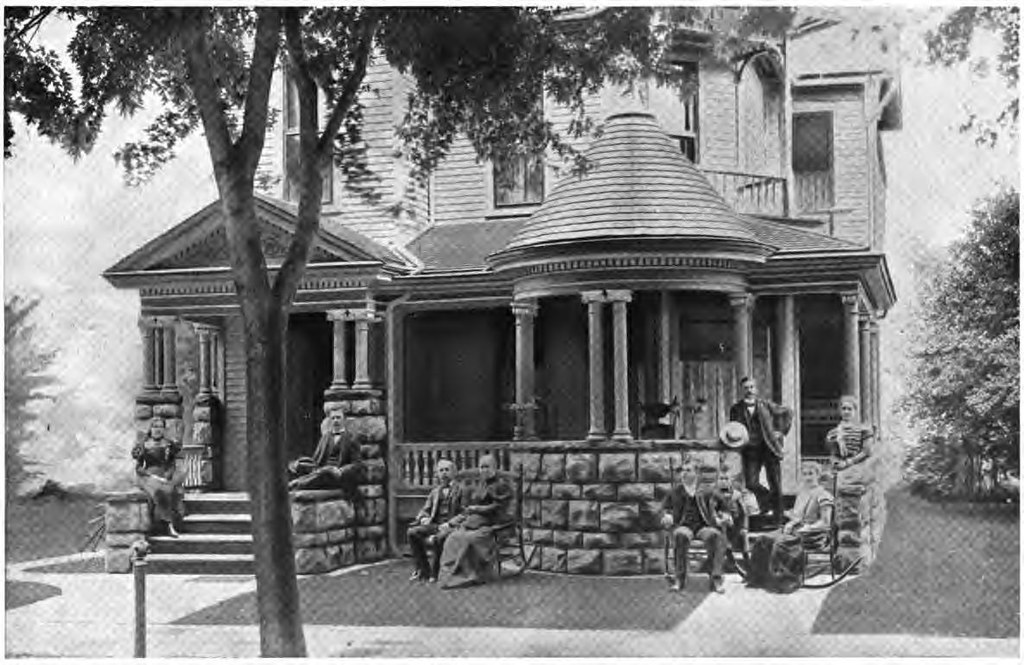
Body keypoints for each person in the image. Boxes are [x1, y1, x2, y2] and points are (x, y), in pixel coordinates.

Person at [747, 460, 835, 592]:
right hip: (795, 531)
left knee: (779, 543)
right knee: (762, 540)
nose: (807, 477)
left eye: (811, 474)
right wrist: (791, 521)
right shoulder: (803, 494)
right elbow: (797, 516)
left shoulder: (824, 496)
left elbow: (825, 522)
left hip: (813, 535)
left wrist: (808, 528)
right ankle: (758, 578)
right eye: (804, 474)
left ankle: (785, 581)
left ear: (818, 475)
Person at [437, 455, 513, 590]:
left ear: (494, 468)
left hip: (492, 524)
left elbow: (499, 507)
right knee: (453, 537)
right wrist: (469, 512)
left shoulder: (501, 486)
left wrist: (478, 508)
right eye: (481, 467)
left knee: (470, 539)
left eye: (487, 466)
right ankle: (450, 574)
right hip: (475, 522)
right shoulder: (478, 485)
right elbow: (468, 507)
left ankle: (474, 574)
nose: (484, 470)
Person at [728, 376, 793, 525]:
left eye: (752, 387)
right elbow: (733, 428)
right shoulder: (736, 409)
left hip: (769, 448)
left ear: (756, 389)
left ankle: (778, 518)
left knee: (775, 483)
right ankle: (768, 502)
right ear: (741, 390)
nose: (749, 390)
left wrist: (781, 431)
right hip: (750, 450)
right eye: (746, 388)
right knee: (751, 483)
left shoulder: (766, 405)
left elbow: (788, 412)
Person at [660, 459, 728, 594]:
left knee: (715, 535)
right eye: (682, 471)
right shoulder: (675, 491)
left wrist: (724, 516)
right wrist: (667, 517)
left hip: (704, 526)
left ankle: (716, 578)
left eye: (688, 470)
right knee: (681, 535)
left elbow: (724, 505)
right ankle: (679, 578)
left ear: (696, 473)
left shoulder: (707, 490)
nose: (684, 474)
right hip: (683, 525)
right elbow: (665, 509)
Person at [407, 458, 463, 583]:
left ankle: (435, 571)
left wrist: (450, 523)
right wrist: (423, 518)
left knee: (440, 537)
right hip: (435, 524)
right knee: (412, 532)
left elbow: (464, 513)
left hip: (452, 526)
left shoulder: (461, 490)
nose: (444, 473)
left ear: (454, 472)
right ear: (437, 474)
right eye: (441, 470)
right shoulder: (435, 492)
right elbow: (425, 509)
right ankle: (423, 569)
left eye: (447, 470)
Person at [287, 411, 364, 497]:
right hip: (322, 472)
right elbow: (315, 459)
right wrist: (300, 463)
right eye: (333, 418)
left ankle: (296, 484)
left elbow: (357, 464)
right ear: (330, 421)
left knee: (325, 472)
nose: (335, 421)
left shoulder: (351, 438)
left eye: (338, 418)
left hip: (339, 478)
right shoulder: (325, 437)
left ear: (344, 420)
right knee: (316, 470)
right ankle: (296, 483)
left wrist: (341, 471)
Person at [132, 417, 185, 537]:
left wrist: (168, 474)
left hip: (164, 475)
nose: (158, 429)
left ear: (164, 429)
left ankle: (167, 524)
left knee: (169, 490)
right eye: (155, 427)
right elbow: (138, 468)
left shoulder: (168, 444)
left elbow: (172, 464)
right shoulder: (144, 445)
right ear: (151, 429)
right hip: (147, 477)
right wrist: (149, 475)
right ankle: (167, 525)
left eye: (160, 427)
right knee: (159, 492)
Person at [826, 395, 874, 486]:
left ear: (855, 411)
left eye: (849, 409)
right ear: (840, 411)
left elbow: (867, 451)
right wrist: (835, 463)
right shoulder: (833, 433)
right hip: (840, 471)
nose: (846, 412)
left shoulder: (864, 430)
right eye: (844, 409)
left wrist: (848, 463)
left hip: (858, 469)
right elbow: (833, 453)